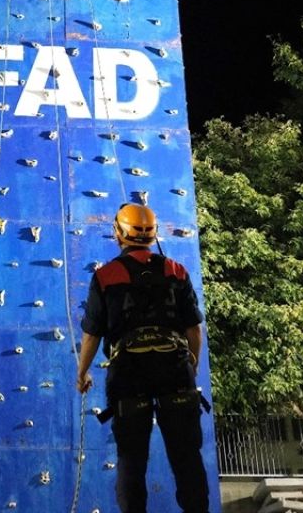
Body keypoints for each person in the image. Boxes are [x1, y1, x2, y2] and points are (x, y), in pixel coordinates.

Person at [76, 204, 210, 513]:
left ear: (118, 233)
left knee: (131, 461)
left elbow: (92, 335)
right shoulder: (176, 270)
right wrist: (191, 365)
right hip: (175, 369)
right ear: (153, 233)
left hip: (128, 373)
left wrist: (82, 373)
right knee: (187, 458)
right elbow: (194, 330)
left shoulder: (105, 276)